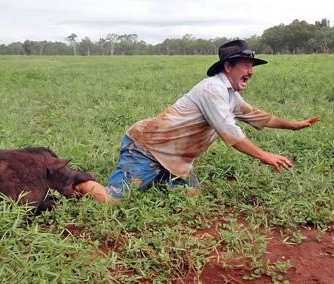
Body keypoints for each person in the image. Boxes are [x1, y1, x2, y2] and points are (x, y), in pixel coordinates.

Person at [76, 39, 320, 203]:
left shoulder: (229, 95)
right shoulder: (212, 90)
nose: (251, 71)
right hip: (147, 149)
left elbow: (260, 117)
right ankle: (74, 182)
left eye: (252, 65)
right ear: (228, 66)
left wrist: (294, 125)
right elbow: (231, 134)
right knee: (114, 201)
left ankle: (153, 181)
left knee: (191, 196)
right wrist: (265, 156)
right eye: (246, 65)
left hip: (174, 160)